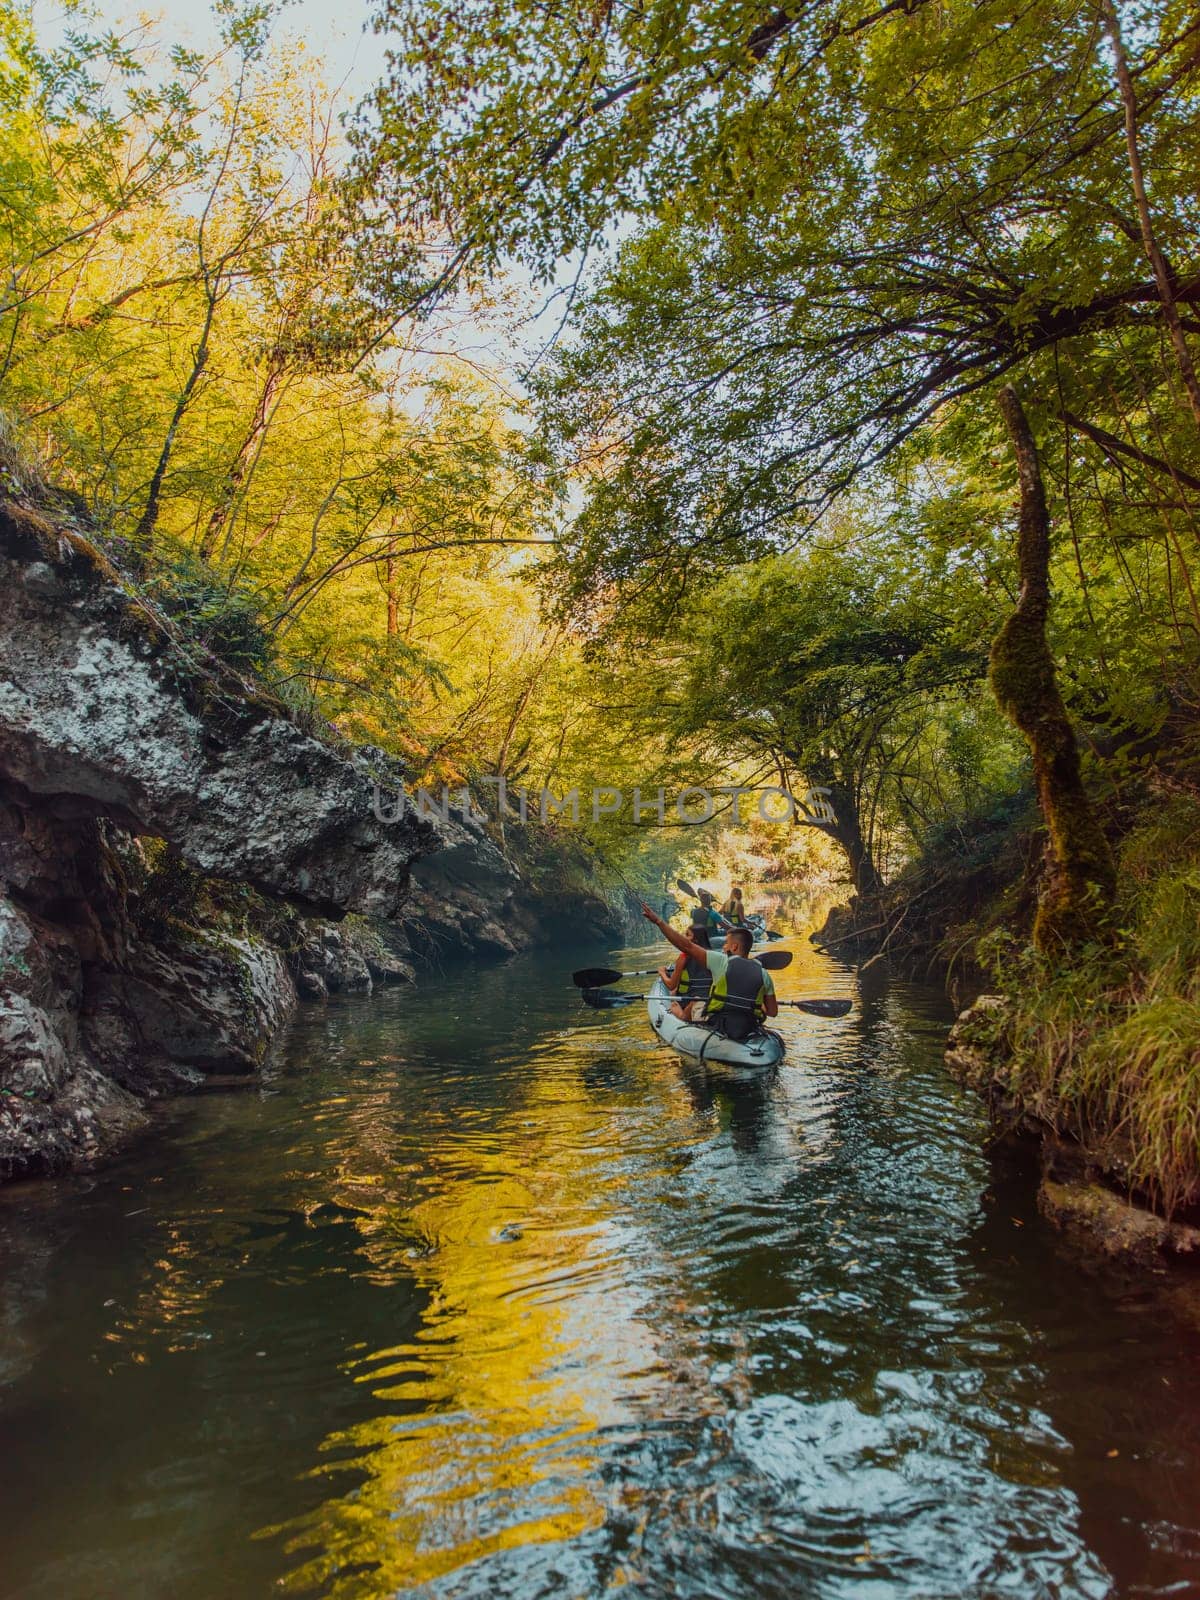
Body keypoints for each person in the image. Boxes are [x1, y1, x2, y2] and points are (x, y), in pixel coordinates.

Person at [643, 904, 779, 1042]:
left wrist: (659, 922)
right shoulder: (764, 974)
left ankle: (682, 1015)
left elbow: (686, 946)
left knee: (695, 1004)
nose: (724, 946)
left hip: (719, 1023)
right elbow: (772, 1012)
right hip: (748, 1026)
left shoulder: (720, 962)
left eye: (726, 943)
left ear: (734, 946)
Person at [659, 922, 713, 1021]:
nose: (684, 938)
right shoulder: (713, 956)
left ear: (695, 940)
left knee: (672, 992)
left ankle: (682, 1014)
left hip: (688, 1001)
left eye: (688, 935)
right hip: (710, 1000)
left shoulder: (684, 957)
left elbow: (671, 985)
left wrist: (662, 973)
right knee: (674, 992)